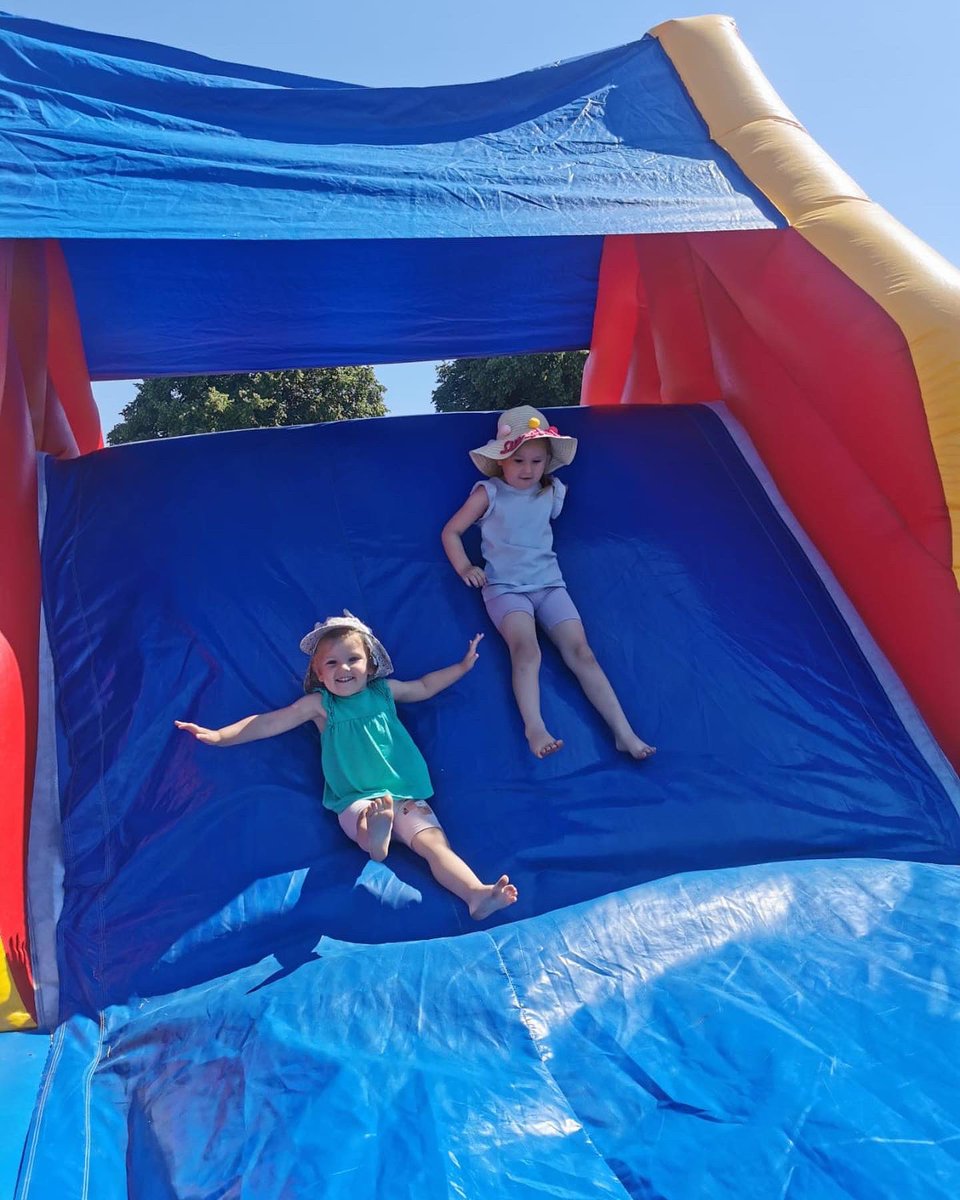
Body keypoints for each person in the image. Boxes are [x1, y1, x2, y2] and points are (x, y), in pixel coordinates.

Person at [175, 612, 517, 921]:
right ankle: (376, 841)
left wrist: (461, 667)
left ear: (370, 666)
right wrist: (221, 736)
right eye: (333, 663)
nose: (344, 669)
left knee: (436, 847)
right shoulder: (320, 706)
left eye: (353, 659)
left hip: (404, 794)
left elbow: (425, 686)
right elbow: (268, 722)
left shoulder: (384, 692)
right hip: (358, 798)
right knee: (366, 820)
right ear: (319, 674)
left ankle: (475, 893)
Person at [442, 405, 655, 762]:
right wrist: (465, 566)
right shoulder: (489, 492)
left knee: (582, 653)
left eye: (536, 461)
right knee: (526, 649)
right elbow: (451, 531)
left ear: (547, 462)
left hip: (549, 585)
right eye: (518, 460)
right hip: (506, 588)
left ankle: (624, 732)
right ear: (501, 460)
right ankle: (534, 726)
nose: (527, 469)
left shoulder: (551, 491)